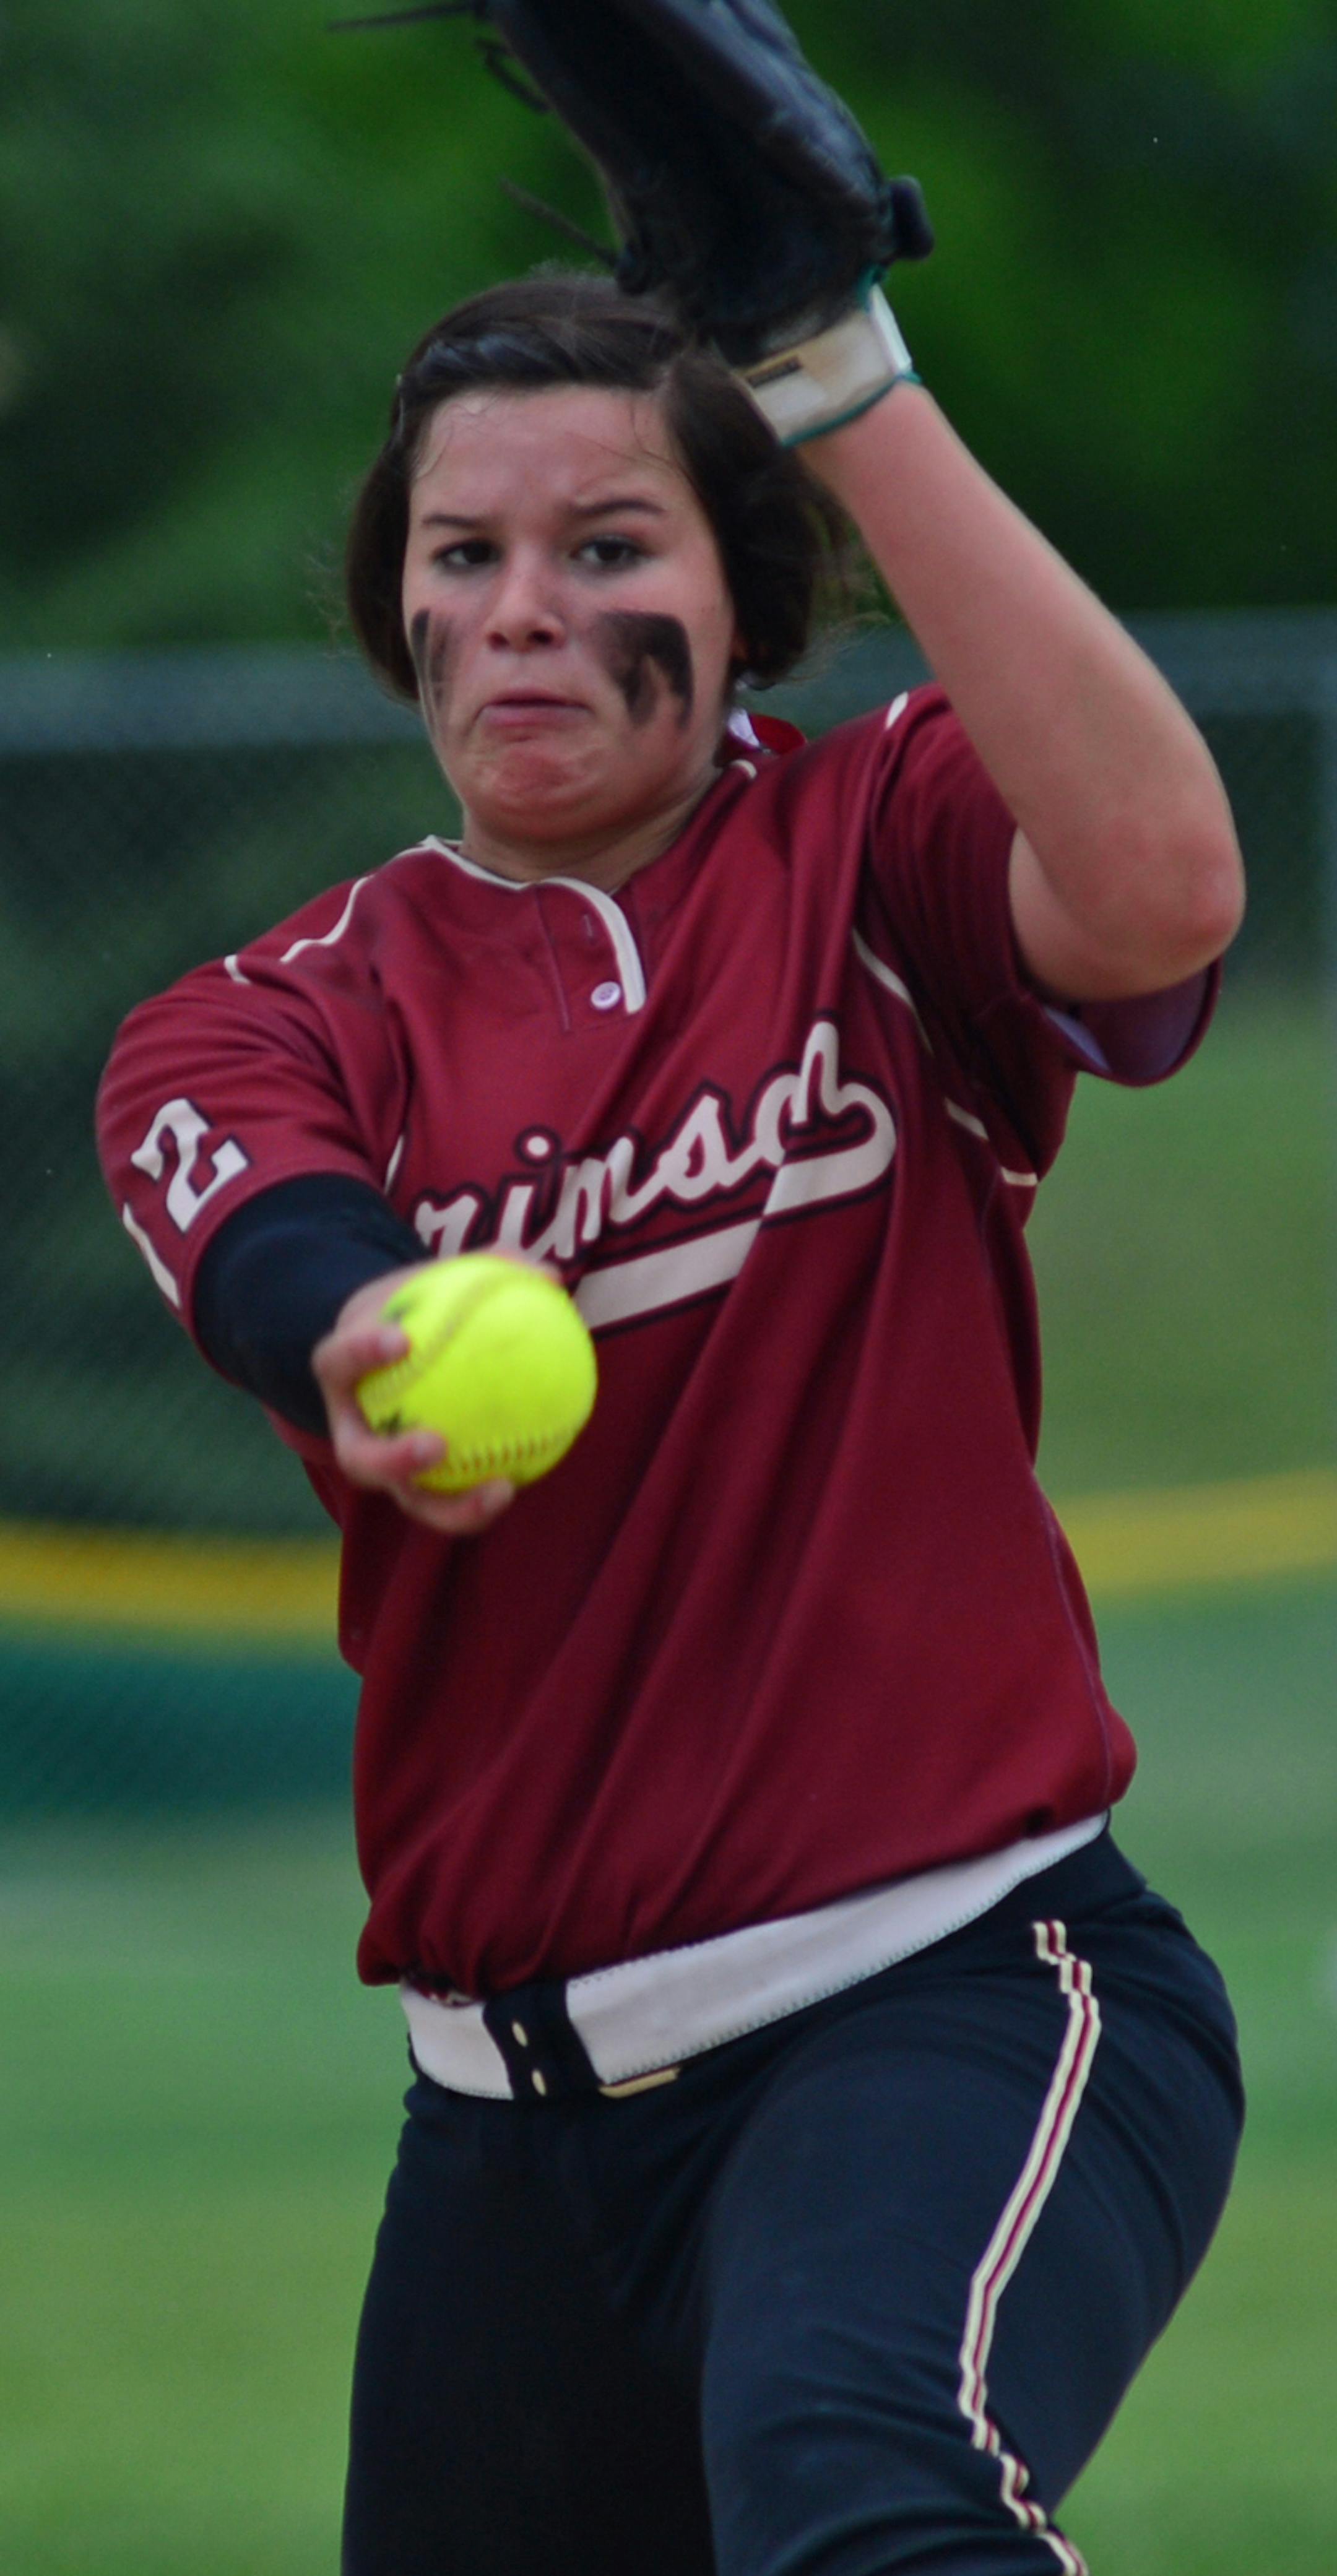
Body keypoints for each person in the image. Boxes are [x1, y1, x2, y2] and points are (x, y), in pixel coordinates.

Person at [98, 264, 1246, 2575]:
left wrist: (847, 382)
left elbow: (1157, 889)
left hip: (950, 1997)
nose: (524, 610)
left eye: (610, 547)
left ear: (746, 600)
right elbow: (268, 1244)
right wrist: (368, 1328)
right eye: (465, 554)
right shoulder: (263, 1017)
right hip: (502, 2145)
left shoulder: (878, 846)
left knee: (870, 2503)